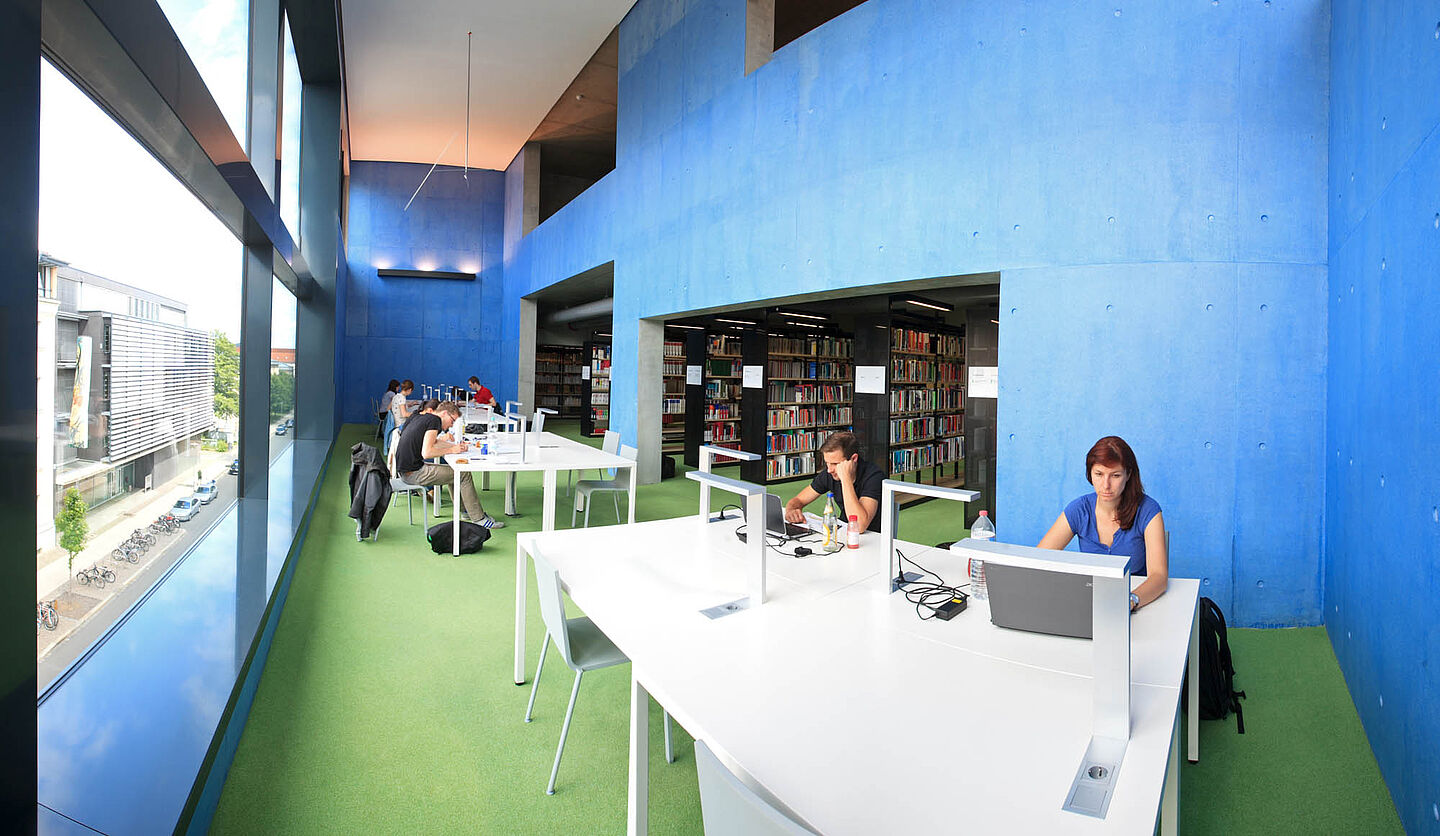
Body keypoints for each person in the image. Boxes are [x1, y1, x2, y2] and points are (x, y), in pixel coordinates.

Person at [1037, 435, 1167, 611]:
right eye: (1099, 474)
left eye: (1115, 475)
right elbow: (1040, 558)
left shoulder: (1148, 510)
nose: (1106, 485)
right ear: (1089, 473)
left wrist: (1130, 601)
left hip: (1139, 604)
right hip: (1089, 602)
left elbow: (1159, 576)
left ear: (1128, 474)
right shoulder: (1079, 509)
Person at [394, 400, 504, 529]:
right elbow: (427, 452)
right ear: (445, 413)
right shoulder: (434, 420)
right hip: (413, 473)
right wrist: (452, 450)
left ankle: (466, 511)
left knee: (454, 471)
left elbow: (433, 442)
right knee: (463, 474)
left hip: (405, 470)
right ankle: (479, 519)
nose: (451, 426)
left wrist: (456, 447)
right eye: (452, 421)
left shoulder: (417, 416)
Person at [783, 431, 884, 534]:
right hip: (844, 531)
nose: (829, 470)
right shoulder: (830, 472)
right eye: (827, 463)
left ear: (853, 459)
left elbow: (860, 526)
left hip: (872, 538)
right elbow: (799, 499)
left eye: (835, 464)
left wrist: (845, 479)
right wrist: (791, 509)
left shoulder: (874, 476)